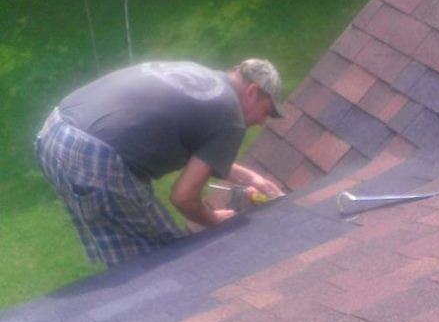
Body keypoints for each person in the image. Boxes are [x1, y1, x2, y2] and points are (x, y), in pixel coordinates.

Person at [35, 58, 284, 266]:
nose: (263, 122)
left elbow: (201, 157)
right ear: (252, 92)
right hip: (92, 153)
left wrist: (251, 178)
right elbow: (183, 197)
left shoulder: (201, 78)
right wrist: (214, 221)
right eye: (267, 111)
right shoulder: (231, 117)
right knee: (166, 259)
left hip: (55, 132)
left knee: (128, 255)